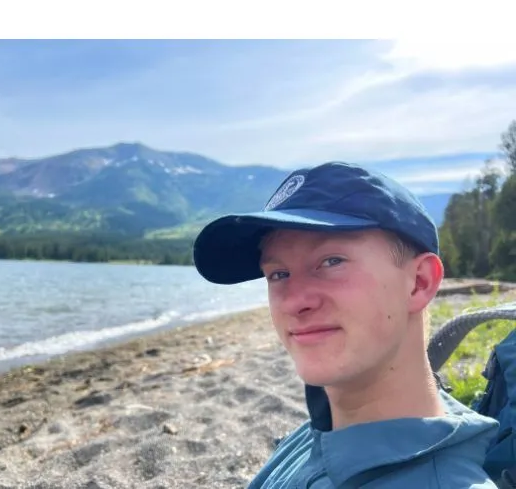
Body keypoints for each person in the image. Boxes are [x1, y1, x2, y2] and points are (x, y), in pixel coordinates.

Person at [192, 162, 498, 488]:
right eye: (278, 274)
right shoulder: (326, 429)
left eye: (331, 261)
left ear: (419, 283)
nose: (295, 301)